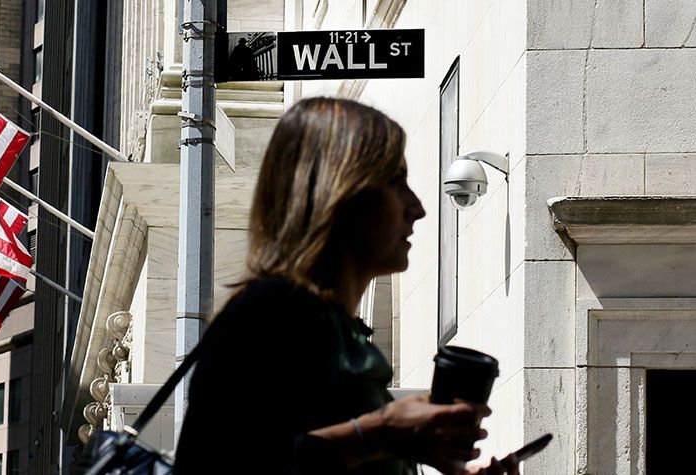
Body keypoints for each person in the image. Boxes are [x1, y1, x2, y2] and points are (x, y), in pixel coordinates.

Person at [173, 98, 519, 475]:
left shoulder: (333, 330)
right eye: (396, 182)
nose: (417, 208)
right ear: (340, 190)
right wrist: (378, 434)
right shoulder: (270, 316)